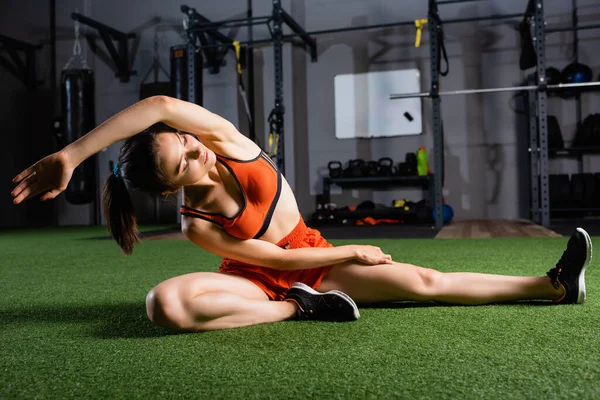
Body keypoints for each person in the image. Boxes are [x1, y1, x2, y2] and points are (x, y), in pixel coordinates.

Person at [11, 96, 593, 332]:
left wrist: (71, 154)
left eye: (186, 141)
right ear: (171, 190)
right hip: (263, 280)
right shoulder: (195, 223)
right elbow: (268, 259)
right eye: (183, 162)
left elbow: (160, 105)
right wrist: (352, 250)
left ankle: (553, 285)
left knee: (425, 282)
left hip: (312, 256)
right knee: (163, 305)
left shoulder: (229, 142)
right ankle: (299, 310)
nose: (196, 151)